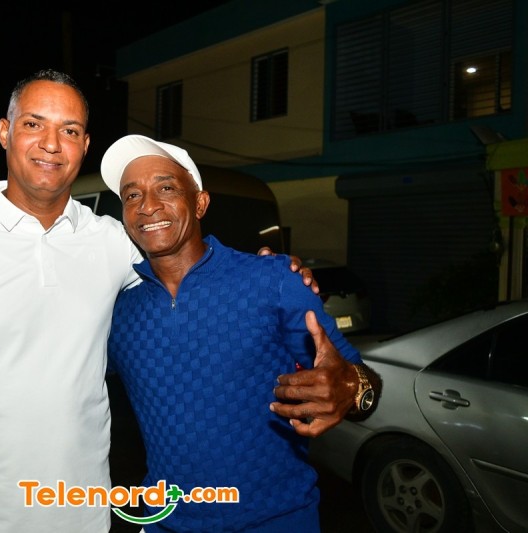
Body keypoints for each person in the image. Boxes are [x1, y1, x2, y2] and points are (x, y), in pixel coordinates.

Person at [0, 69, 357, 533]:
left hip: (84, 516)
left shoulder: (111, 241)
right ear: (5, 132)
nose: (51, 143)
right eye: (34, 124)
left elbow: (185, 264)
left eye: (69, 130)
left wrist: (279, 276)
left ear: (84, 145)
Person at [99, 135, 381, 531]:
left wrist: (351, 386)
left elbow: (362, 384)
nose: (147, 205)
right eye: (132, 195)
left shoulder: (273, 280)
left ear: (200, 203)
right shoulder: (118, 312)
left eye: (166, 188)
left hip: (276, 521)